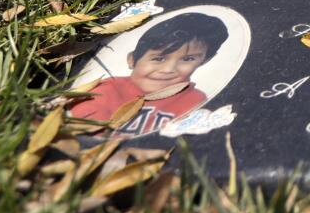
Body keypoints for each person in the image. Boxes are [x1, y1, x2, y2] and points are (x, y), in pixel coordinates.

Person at [71, 12, 229, 137]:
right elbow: (83, 132)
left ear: (205, 60)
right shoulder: (106, 90)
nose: (168, 69)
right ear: (132, 60)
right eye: (158, 58)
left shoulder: (195, 99)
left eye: (188, 59)